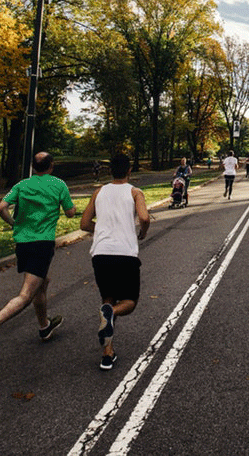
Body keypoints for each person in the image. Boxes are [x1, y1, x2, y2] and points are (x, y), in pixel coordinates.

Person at [0, 152, 76, 363]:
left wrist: (13, 223)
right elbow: (71, 213)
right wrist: (66, 207)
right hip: (42, 244)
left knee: (42, 283)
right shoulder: (58, 184)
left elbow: (1, 207)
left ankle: (44, 327)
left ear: (33, 166)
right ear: (52, 166)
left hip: (23, 244)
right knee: (26, 294)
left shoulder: (22, 185)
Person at [80, 152, 151, 371]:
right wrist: (142, 232)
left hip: (101, 254)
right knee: (129, 301)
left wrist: (101, 229)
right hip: (125, 253)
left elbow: (84, 223)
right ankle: (113, 315)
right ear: (130, 170)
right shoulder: (135, 192)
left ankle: (107, 354)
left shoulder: (98, 192)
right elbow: (145, 218)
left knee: (108, 299)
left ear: (110, 170)